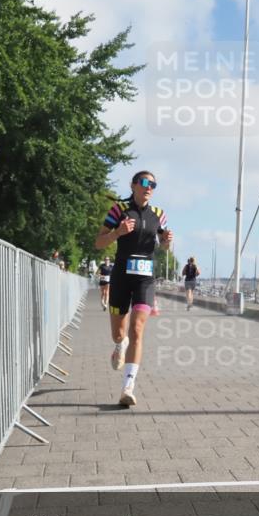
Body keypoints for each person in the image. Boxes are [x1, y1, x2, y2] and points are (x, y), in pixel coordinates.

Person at [94, 170, 172, 407]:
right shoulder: (119, 209)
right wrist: (118, 232)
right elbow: (98, 243)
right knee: (120, 334)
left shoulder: (159, 214)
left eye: (154, 184)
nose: (149, 187)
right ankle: (119, 345)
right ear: (134, 185)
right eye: (146, 182)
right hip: (120, 276)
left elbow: (164, 247)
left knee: (137, 329)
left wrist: (167, 242)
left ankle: (128, 386)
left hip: (145, 279)